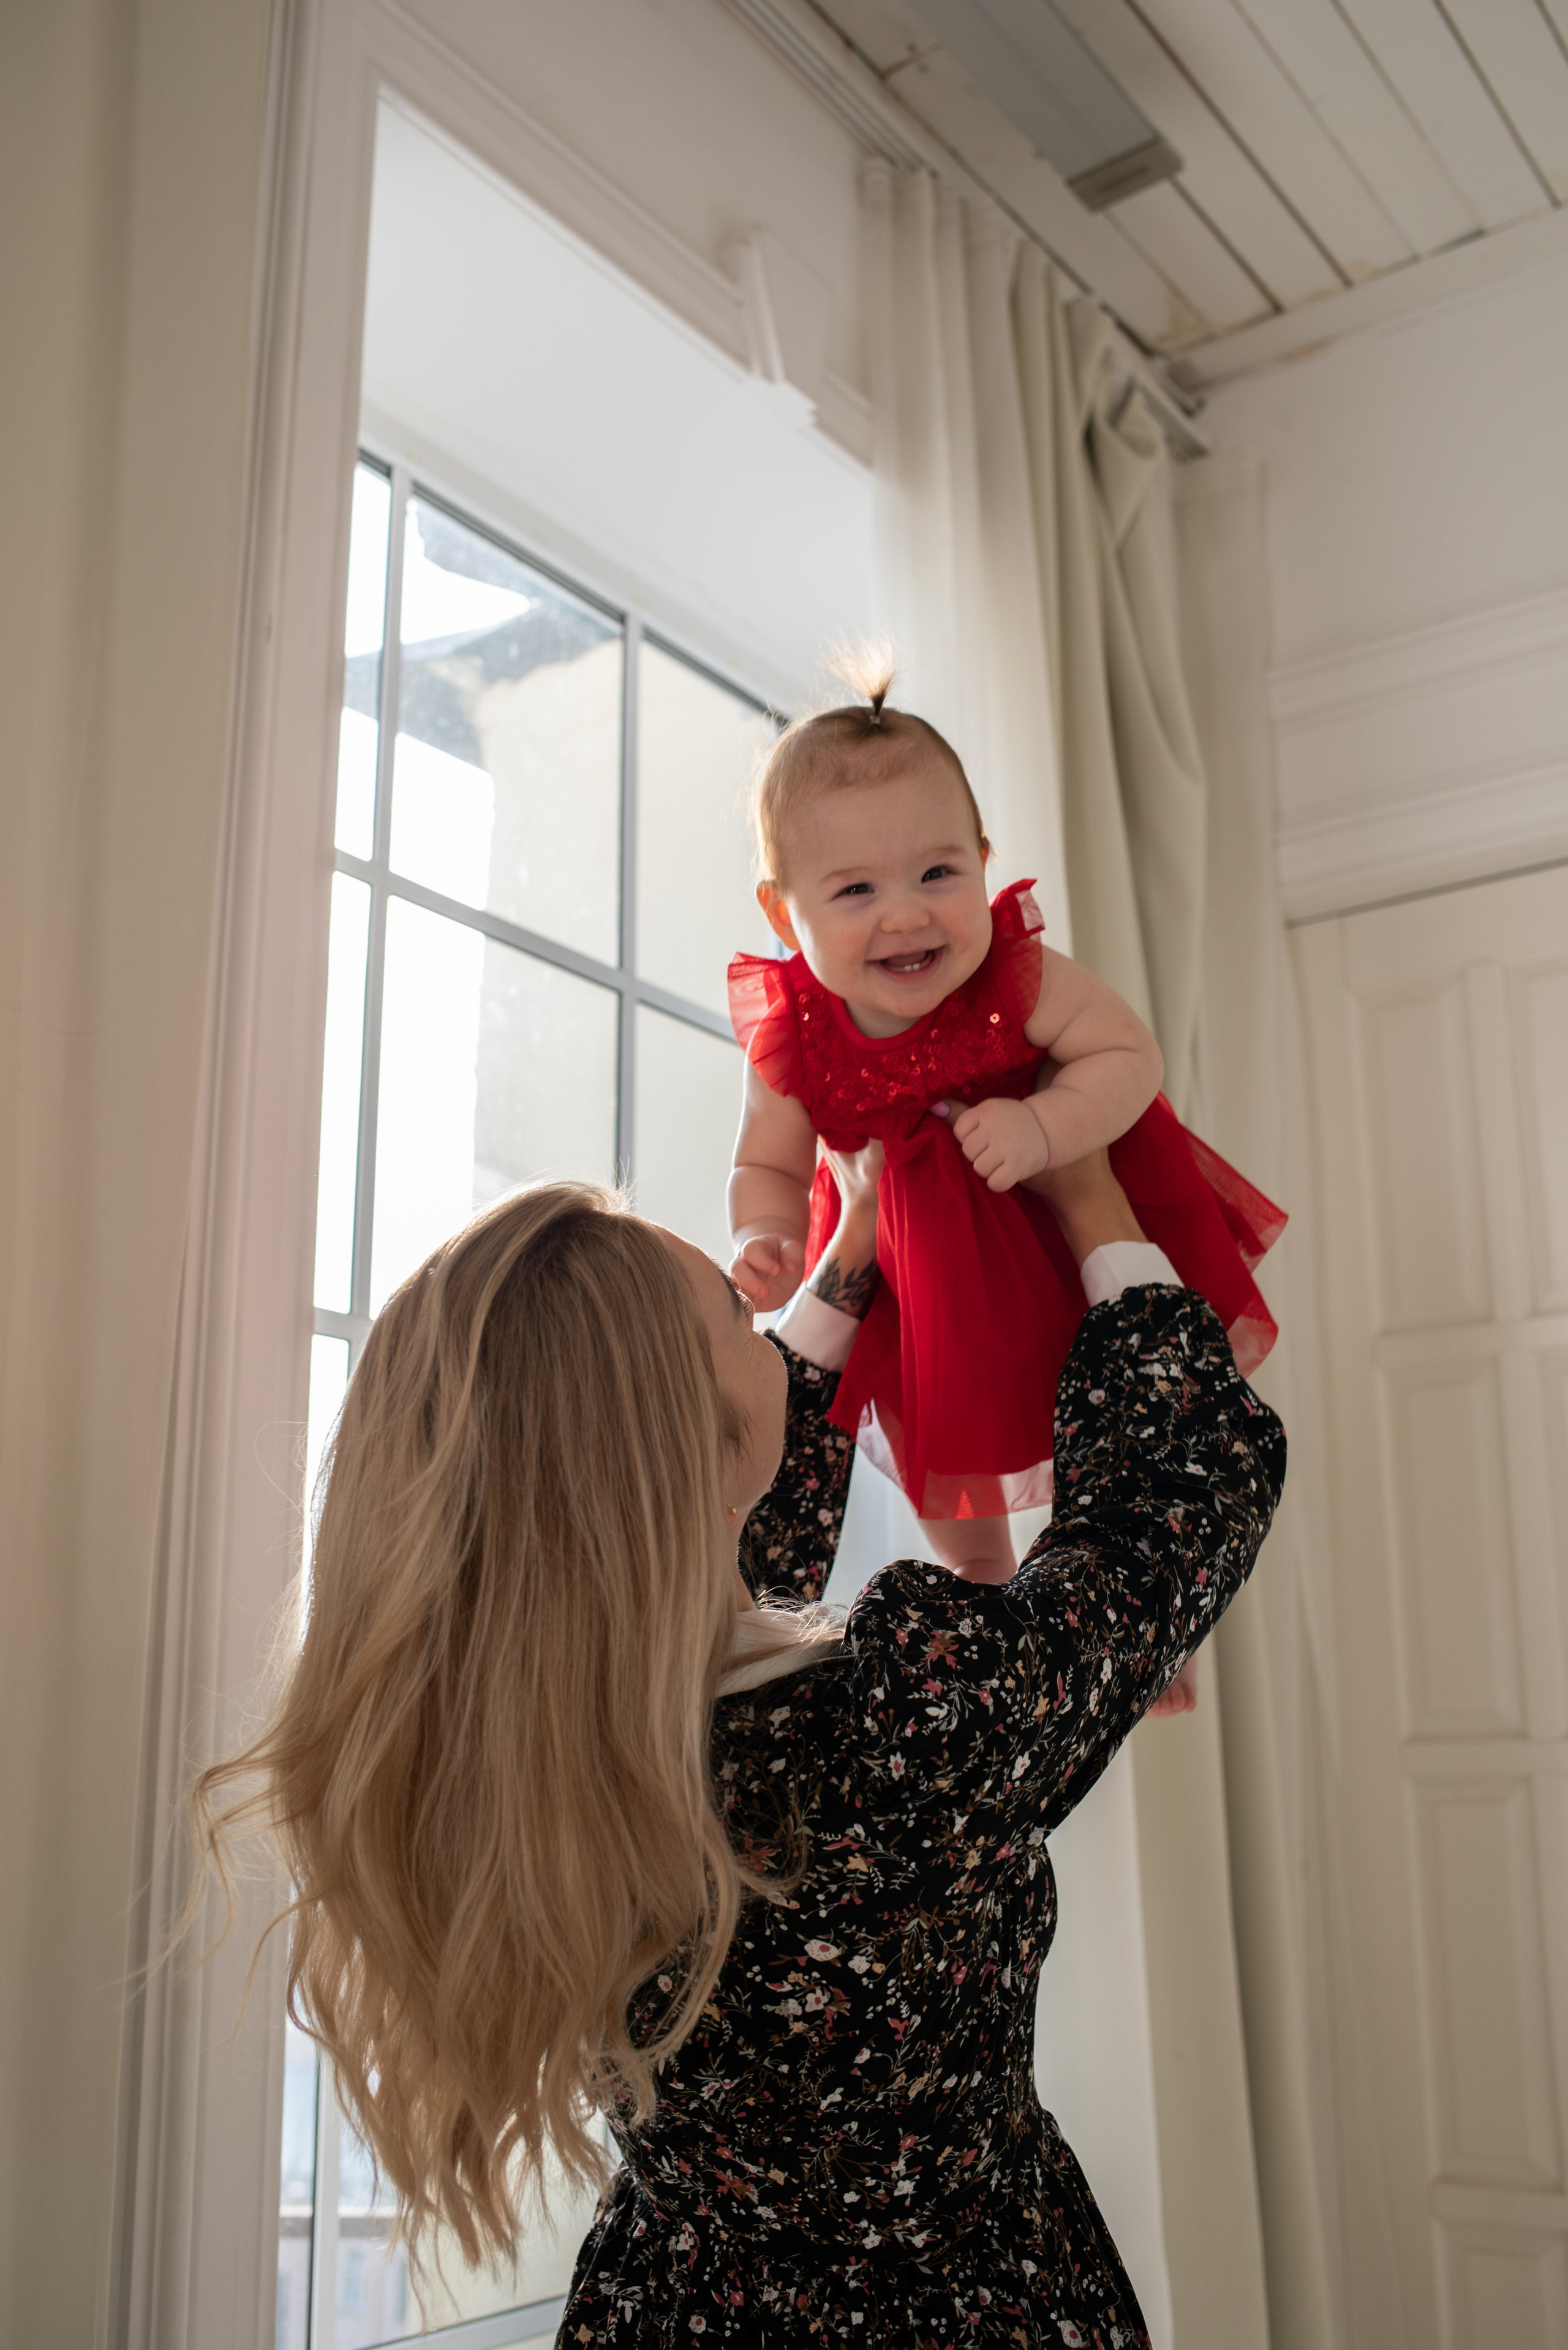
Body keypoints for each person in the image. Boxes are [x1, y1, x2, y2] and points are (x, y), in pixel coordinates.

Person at [192, 1145, 1285, 2345]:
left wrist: (853, 1253)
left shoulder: (550, 1740)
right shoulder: (894, 1714)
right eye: (734, 1312)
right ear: (684, 1441)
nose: (764, 1331)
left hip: (686, 2303)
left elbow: (722, 1551)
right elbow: (1179, 1485)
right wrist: (1089, 1198)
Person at [726, 665, 1283, 1711]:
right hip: (917, 1281)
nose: (906, 916)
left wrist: (1040, 1125)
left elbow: (1128, 1055)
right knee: (948, 1471)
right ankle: (984, 1595)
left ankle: (1149, 1636)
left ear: (983, 864)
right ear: (783, 908)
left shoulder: (1016, 974)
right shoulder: (791, 1029)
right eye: (855, 890)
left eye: (937, 872)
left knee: (1113, 1415)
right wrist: (765, 1236)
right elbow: (767, 1158)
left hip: (1042, 1237)